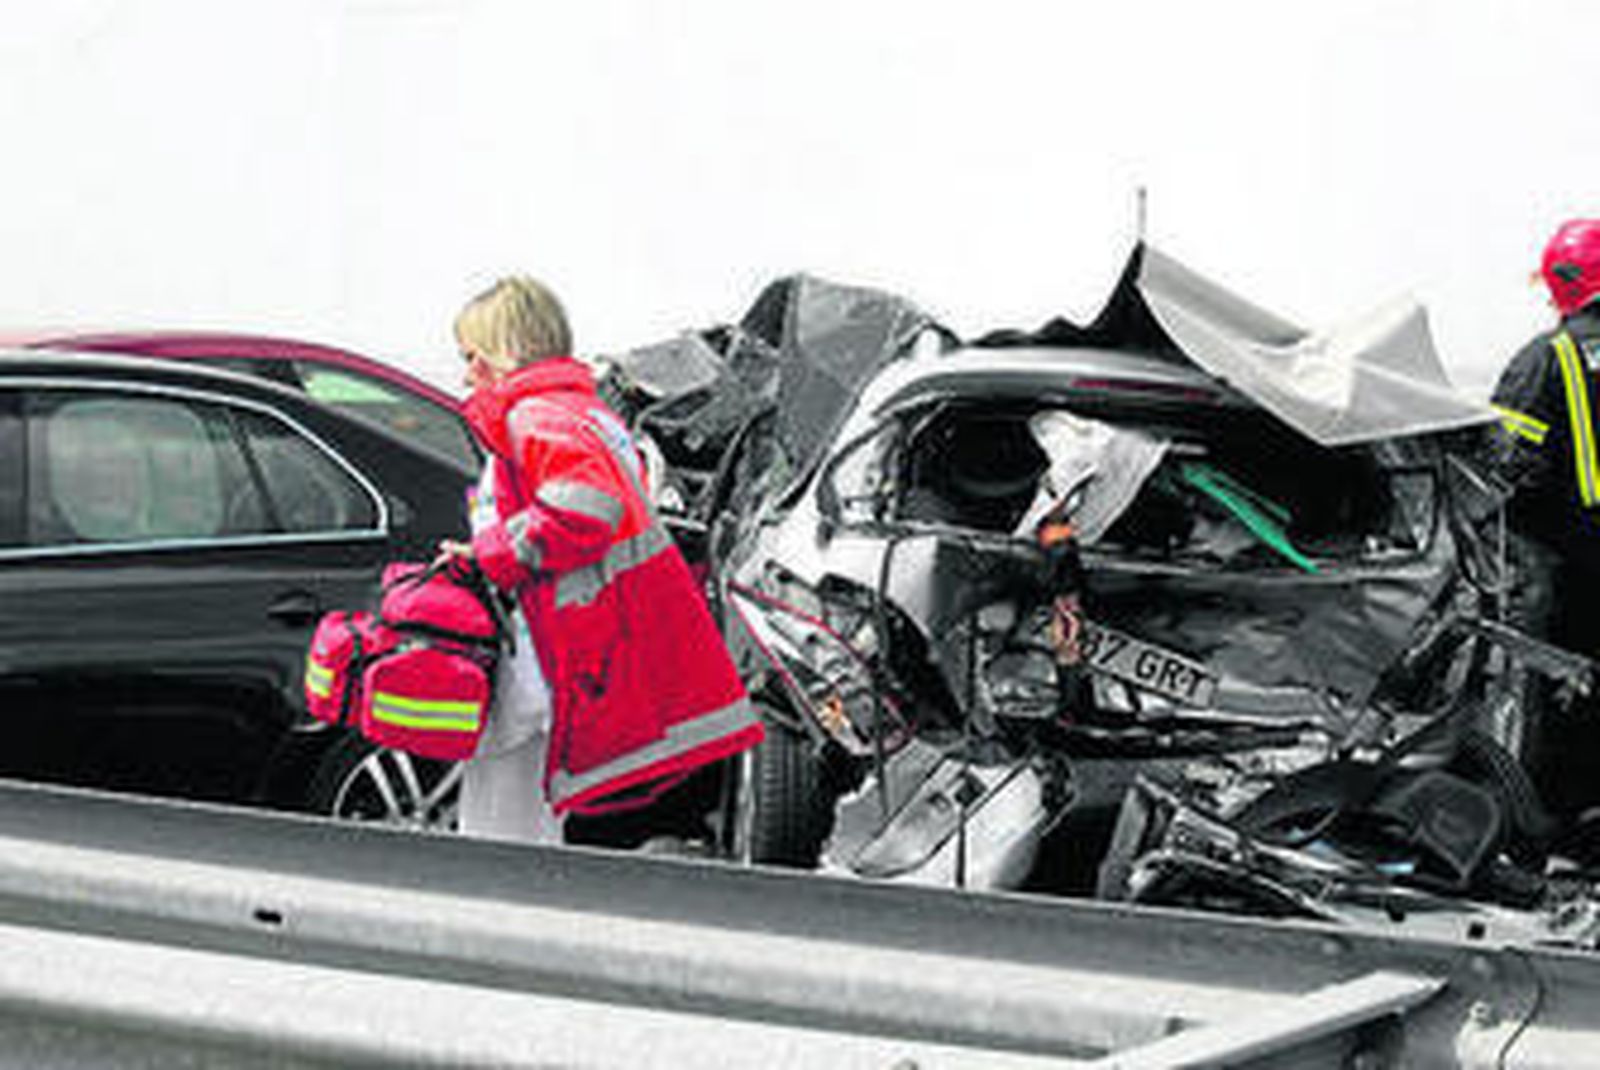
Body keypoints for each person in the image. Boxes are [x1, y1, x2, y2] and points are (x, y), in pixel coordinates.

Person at [441, 275, 764, 843]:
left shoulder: (533, 417)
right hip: (582, 649)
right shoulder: (589, 417)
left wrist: (490, 553)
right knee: (533, 821)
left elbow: (585, 510)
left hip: (544, 653)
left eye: (472, 356)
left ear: (505, 350)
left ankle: (496, 923)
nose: (466, 375)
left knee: (499, 832)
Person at [1488, 220, 1600, 813]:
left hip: (1563, 560)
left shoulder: (1545, 359)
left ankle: (1544, 824)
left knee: (1545, 693)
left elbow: (1502, 466)